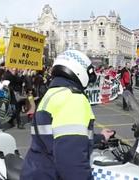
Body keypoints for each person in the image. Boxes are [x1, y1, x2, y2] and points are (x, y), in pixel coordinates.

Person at [21, 50, 114, 180]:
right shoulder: (72, 98)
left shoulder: (52, 94)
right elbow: (71, 161)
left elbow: (60, 137)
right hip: (51, 175)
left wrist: (101, 137)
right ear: (79, 70)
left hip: (36, 170)